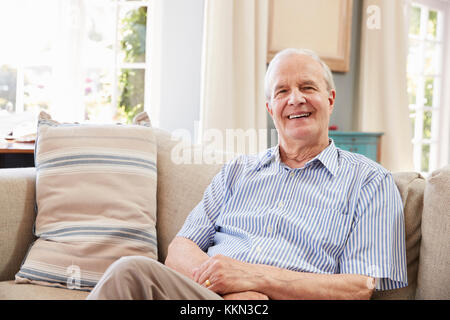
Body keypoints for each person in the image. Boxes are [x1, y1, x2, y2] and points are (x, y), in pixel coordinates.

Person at [87, 48, 408, 300]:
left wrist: (254, 278)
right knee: (131, 273)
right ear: (271, 109)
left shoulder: (370, 182)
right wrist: (233, 292)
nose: (295, 98)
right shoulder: (236, 173)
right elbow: (180, 250)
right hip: (208, 297)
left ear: (330, 99)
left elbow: (359, 288)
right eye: (282, 91)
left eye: (307, 87)